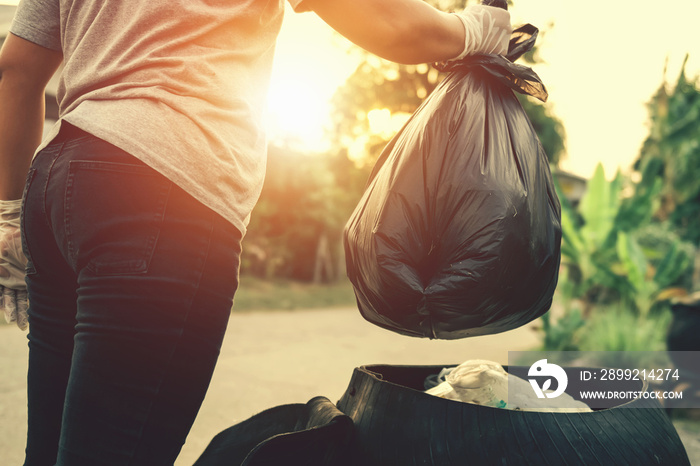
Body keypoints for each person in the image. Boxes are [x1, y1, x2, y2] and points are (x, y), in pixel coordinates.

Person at [0, 0, 511, 464]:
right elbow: (386, 21)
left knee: (48, 453)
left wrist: (8, 216)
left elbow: (17, 71)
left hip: (60, 182)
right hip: (163, 191)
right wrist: (473, 29)